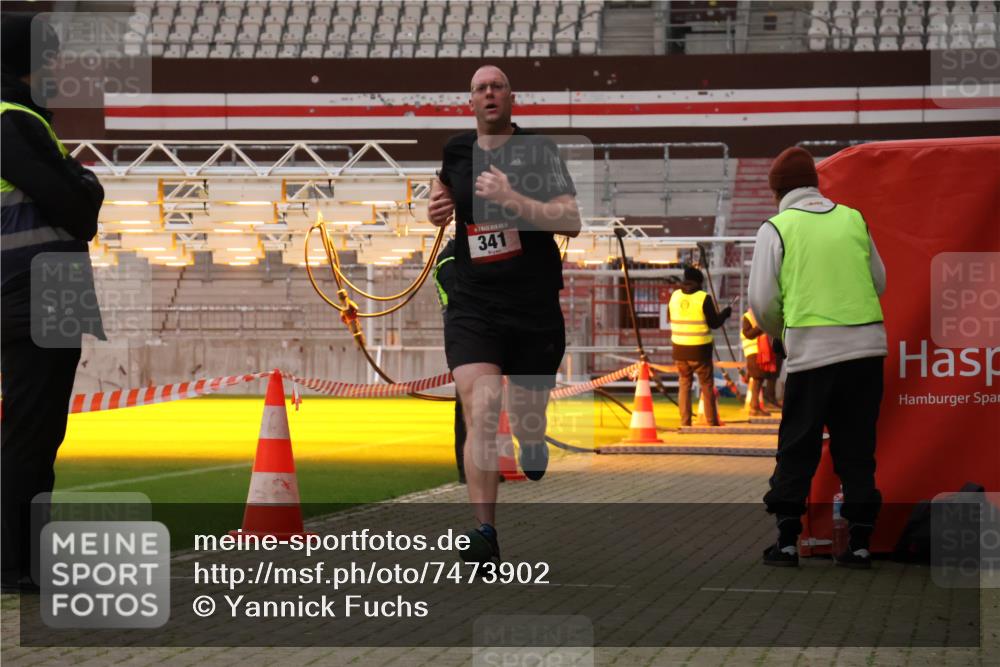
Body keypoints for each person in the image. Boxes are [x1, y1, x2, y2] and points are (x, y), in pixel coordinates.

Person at [428, 65, 581, 564]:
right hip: (475, 302)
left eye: (497, 86)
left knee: (526, 407)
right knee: (481, 402)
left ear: (512, 98)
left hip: (533, 304)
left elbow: (571, 221)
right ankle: (485, 530)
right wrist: (434, 206)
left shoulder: (540, 152)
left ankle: (532, 433)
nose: (488, 93)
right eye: (479, 88)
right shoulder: (456, 151)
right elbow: (441, 192)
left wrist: (513, 199)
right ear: (469, 102)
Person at [1, 14, 106, 593]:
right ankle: (18, 565)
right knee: (33, 435)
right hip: (41, 287)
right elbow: (80, 209)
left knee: (37, 434)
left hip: (32, 285)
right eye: (54, 60)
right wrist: (87, 184)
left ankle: (23, 559)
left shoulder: (26, 120)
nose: (61, 71)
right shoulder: (16, 121)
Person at [750, 146, 887, 569]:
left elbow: (762, 302)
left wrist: (783, 335)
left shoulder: (776, 228)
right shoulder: (853, 218)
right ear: (815, 183)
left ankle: (788, 542)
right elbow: (879, 282)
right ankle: (860, 544)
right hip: (866, 353)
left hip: (811, 355)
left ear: (777, 191)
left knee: (798, 447)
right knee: (857, 448)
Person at [667, 266, 732, 427]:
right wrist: (725, 313)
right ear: (700, 281)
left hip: (679, 350)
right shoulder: (704, 297)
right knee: (707, 385)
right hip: (700, 350)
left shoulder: (674, 296)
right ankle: (711, 422)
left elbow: (670, 317)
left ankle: (685, 422)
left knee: (684, 384)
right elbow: (715, 323)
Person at [740, 308, 770, 417]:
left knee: (758, 380)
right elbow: (748, 333)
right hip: (754, 352)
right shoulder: (749, 317)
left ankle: (755, 406)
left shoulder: (753, 316)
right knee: (757, 380)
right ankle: (754, 407)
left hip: (757, 352)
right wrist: (761, 327)